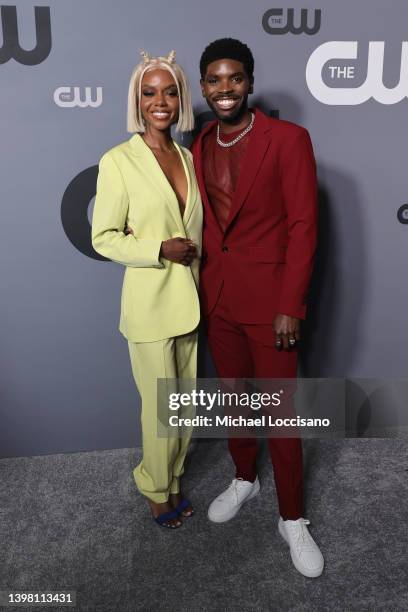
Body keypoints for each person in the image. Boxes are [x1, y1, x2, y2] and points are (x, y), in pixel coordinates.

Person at [191, 38, 324, 576]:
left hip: (271, 306)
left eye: (235, 78)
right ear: (203, 87)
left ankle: (292, 518)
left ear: (250, 82)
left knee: (280, 414)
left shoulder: (289, 139)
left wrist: (290, 304)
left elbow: (303, 226)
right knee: (233, 403)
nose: (226, 89)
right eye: (215, 81)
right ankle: (244, 478)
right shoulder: (198, 143)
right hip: (217, 297)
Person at [92, 50, 203, 529]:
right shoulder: (118, 160)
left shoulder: (187, 155)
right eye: (150, 91)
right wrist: (160, 248)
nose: (161, 101)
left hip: (191, 302)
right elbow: (104, 237)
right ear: (137, 99)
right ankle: (155, 488)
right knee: (160, 411)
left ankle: (174, 477)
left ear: (181, 99)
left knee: (184, 406)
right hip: (150, 306)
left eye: (171, 91)